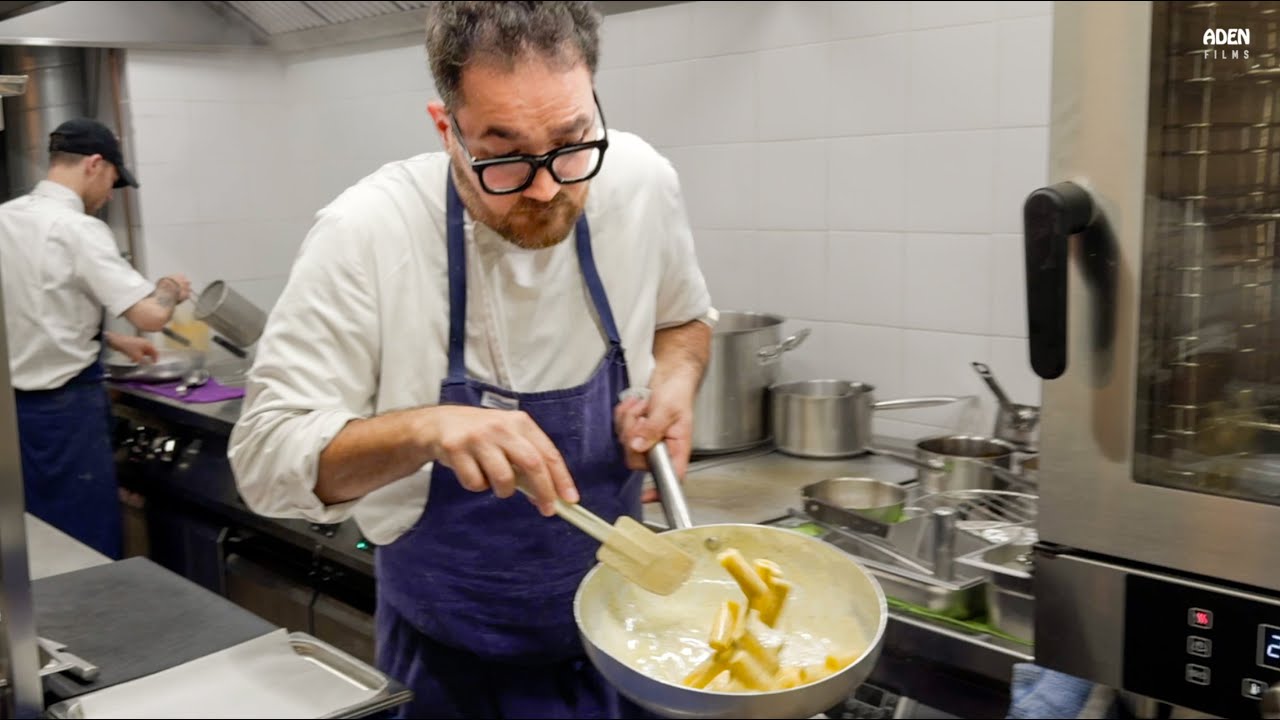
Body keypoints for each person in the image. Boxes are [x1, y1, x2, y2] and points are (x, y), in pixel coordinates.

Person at [227, 2, 716, 717]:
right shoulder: (368, 233)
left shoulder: (639, 181)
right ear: (445, 128)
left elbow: (684, 319)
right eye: (506, 153)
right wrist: (426, 429)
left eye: (572, 142)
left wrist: (675, 381)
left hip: (631, 648)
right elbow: (266, 460)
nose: (547, 186)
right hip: (450, 671)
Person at [0, 117, 193, 560]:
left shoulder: (6, 217)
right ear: (94, 164)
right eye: (112, 181)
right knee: (83, 545)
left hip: (11, 417)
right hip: (64, 415)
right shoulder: (79, 229)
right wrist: (170, 289)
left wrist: (114, 341)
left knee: (33, 543)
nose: (109, 195)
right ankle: (93, 627)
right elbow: (150, 315)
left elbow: (31, 307)